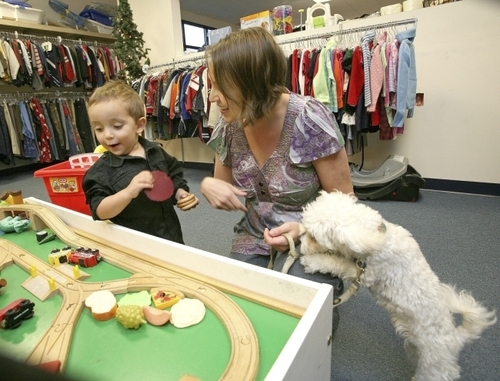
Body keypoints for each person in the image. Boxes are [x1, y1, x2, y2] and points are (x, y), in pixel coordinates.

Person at [200, 27, 354, 330]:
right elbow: (224, 187)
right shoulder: (230, 124)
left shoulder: (308, 118)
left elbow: (345, 203)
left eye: (220, 85)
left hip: (313, 235)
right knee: (234, 303)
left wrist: (302, 230)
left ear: (251, 80)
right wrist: (207, 185)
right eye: (211, 85)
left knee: (302, 311)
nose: (213, 96)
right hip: (255, 233)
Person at [83, 80, 195, 244]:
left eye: (117, 126)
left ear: (139, 125)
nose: (107, 135)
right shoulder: (100, 172)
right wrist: (128, 192)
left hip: (171, 235)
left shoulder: (156, 151)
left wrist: (180, 193)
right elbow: (100, 211)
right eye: (99, 129)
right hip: (134, 245)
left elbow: (173, 175)